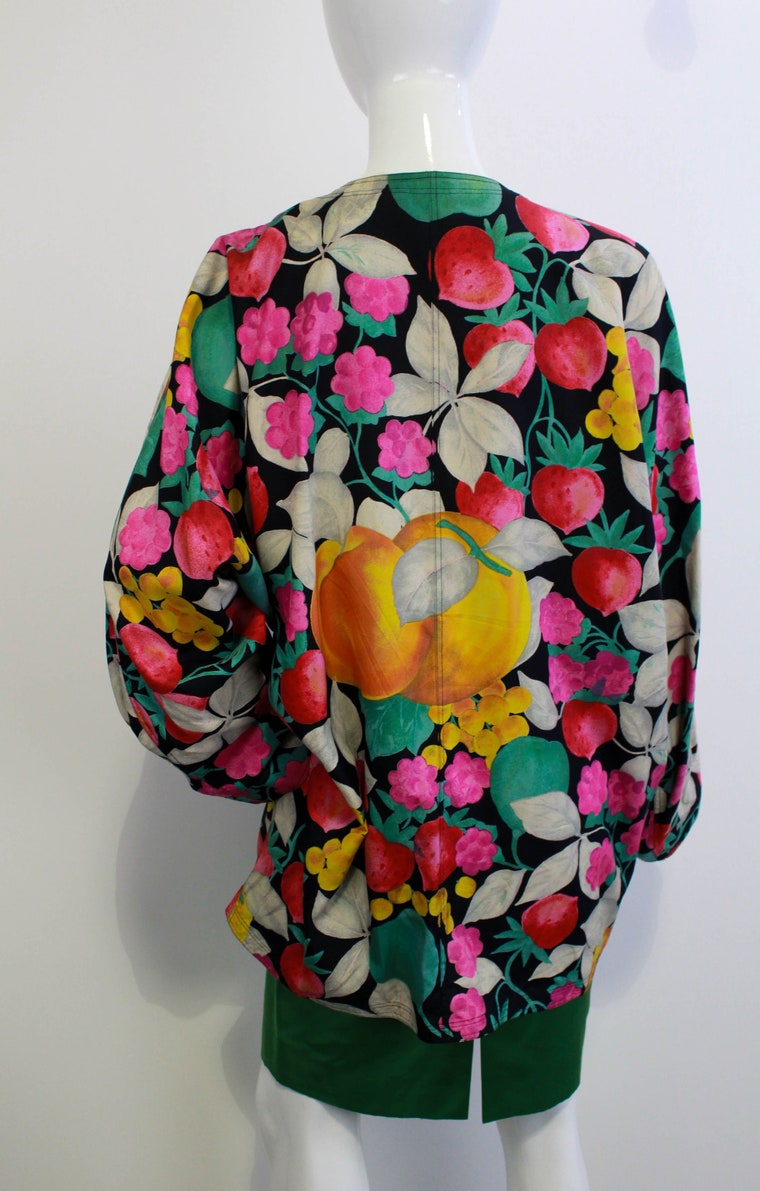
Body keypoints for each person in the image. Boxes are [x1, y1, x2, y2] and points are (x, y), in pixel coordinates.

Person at [104, 2, 700, 1188]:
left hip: (337, 856)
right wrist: (633, 805)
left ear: (340, 27)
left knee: (302, 1119)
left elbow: (172, 593)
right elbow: (659, 601)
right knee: (546, 1135)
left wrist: (276, 754)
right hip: (549, 870)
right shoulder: (612, 289)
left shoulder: (256, 283)